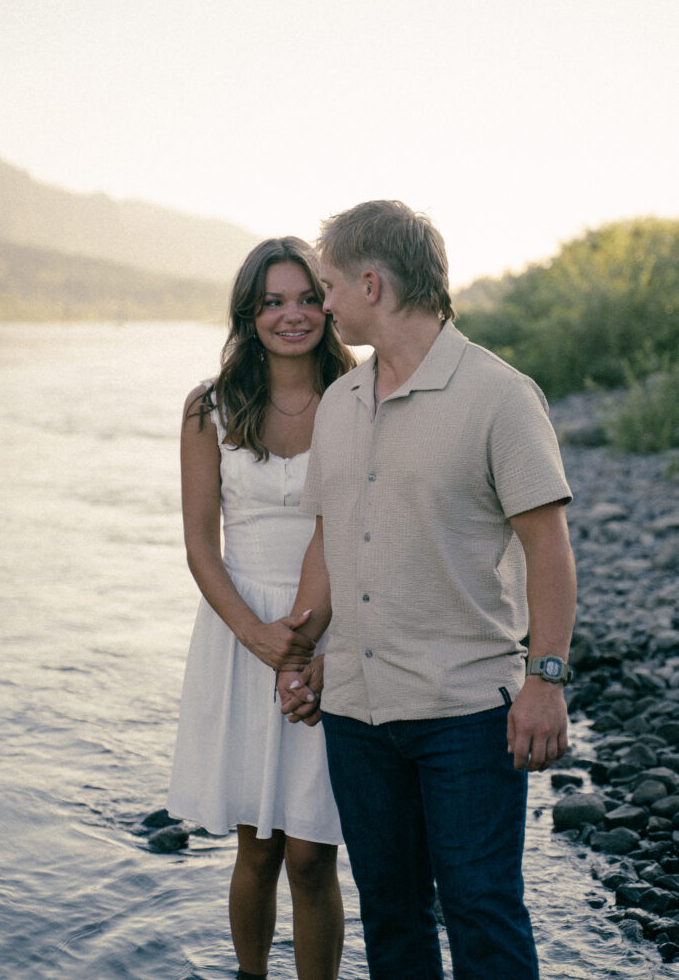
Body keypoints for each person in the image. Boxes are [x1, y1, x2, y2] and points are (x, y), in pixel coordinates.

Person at [278, 201, 577, 980]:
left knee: (481, 908)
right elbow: (329, 536)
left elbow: (547, 547)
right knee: (390, 910)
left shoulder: (499, 395)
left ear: (371, 284)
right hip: (353, 709)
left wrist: (544, 680)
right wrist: (301, 651)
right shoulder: (340, 402)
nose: (322, 304)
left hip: (464, 714)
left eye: (329, 286)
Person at [167, 237, 356, 980]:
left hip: (335, 630)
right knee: (259, 845)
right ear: (248, 312)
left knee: (313, 853)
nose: (294, 315)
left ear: (331, 302)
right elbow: (198, 546)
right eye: (274, 301)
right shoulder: (209, 408)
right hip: (240, 632)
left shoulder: (359, 396)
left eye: (309, 297)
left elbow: (351, 529)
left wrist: (306, 649)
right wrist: (258, 638)